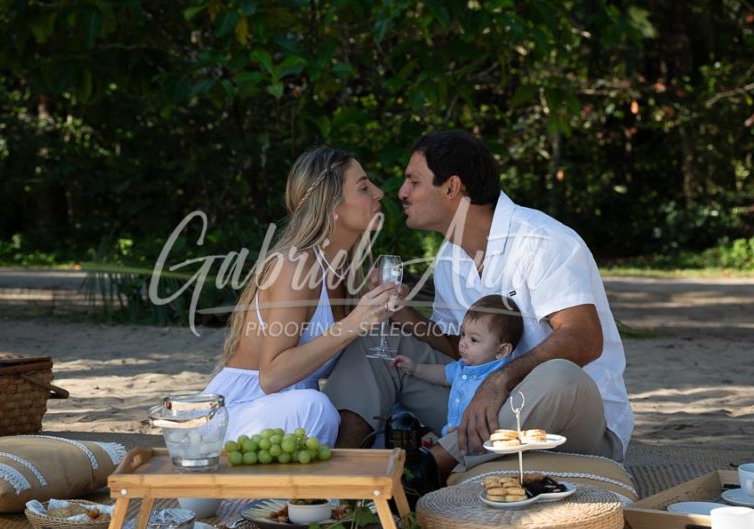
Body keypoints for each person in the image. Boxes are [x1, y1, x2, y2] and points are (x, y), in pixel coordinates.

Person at [325, 130, 633, 478]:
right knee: (374, 343)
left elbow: (585, 338)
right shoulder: (449, 258)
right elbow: (460, 351)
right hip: (485, 413)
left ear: (452, 188)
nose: (402, 192)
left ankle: (425, 473)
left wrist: (498, 382)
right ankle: (340, 478)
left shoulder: (541, 241)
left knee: (560, 375)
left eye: (414, 181)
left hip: (568, 421)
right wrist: (400, 313)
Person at [203, 146, 398, 445]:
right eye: (363, 187)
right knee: (317, 408)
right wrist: (354, 324)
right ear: (332, 206)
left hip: (288, 420)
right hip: (238, 416)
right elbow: (271, 378)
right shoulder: (294, 266)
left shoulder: (346, 272)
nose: (379, 193)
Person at [392, 294, 524, 436]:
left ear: (502, 350)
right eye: (463, 334)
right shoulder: (462, 366)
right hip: (451, 433)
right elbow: (443, 374)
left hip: (477, 438)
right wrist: (416, 368)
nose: (463, 343)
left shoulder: (500, 378)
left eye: (473, 339)